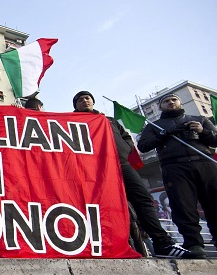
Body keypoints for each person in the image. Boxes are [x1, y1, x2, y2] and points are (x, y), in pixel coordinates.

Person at [72, 90, 202, 259]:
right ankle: (107, 245)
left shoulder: (109, 121)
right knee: (101, 205)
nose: (85, 101)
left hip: (120, 164)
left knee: (143, 199)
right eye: (80, 99)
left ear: (93, 101)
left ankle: (163, 243)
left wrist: (124, 151)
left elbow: (126, 138)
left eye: (87, 98)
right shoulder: (73, 121)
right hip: (94, 168)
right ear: (75, 105)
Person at [137, 93, 217, 257]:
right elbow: (143, 145)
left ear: (179, 102)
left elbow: (215, 140)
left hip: (204, 162)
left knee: (214, 203)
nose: (171, 102)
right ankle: (194, 244)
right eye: (166, 101)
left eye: (174, 99)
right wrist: (164, 134)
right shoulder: (155, 126)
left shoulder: (199, 119)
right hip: (174, 166)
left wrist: (203, 132)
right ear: (160, 107)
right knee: (183, 206)